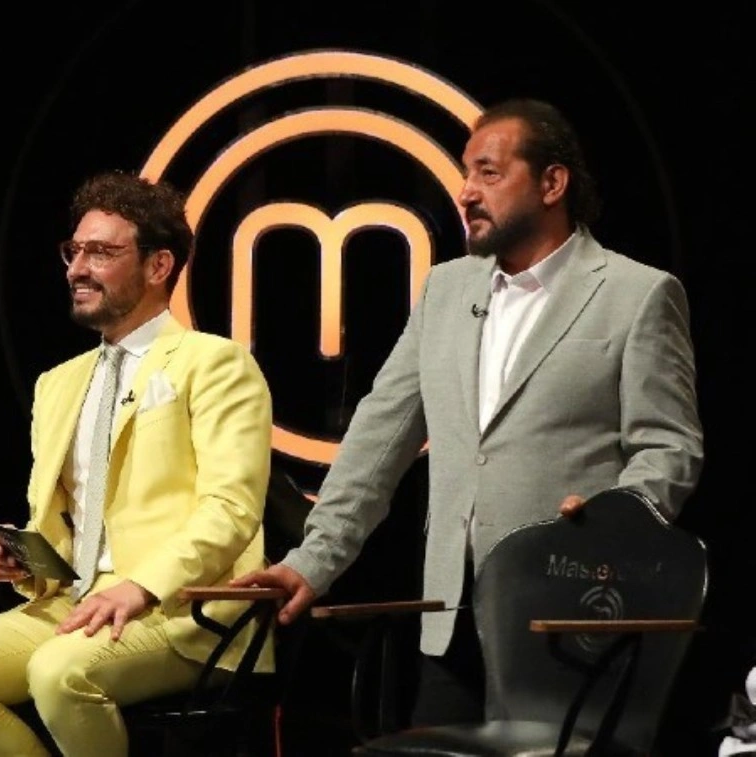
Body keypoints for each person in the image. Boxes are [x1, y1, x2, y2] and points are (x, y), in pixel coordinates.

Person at [233, 97, 704, 725]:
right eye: (465, 173)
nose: (466, 192)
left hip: (571, 618)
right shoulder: (446, 290)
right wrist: (311, 563)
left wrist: (611, 525)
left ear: (552, 183)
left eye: (489, 172)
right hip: (452, 624)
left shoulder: (636, 294)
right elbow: (378, 439)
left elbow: (669, 449)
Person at [0, 170, 273, 756]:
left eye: (101, 252)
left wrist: (139, 588)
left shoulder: (214, 363)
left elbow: (231, 510)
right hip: (74, 601)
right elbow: (66, 521)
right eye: (73, 251)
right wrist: (18, 555)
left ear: (158, 266)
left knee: (59, 672)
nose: (77, 268)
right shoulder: (58, 383)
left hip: (181, 608)